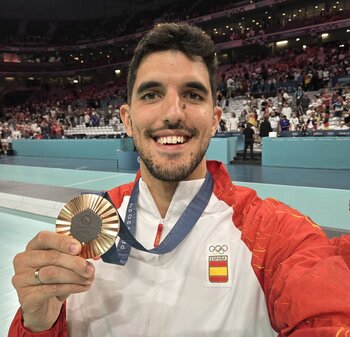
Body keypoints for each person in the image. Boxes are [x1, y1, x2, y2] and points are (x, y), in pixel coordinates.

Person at [8, 23, 350, 337]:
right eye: (151, 94)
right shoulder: (89, 223)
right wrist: (37, 324)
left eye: (193, 94)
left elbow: (329, 316)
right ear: (127, 119)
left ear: (215, 119)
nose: (173, 112)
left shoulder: (273, 233)